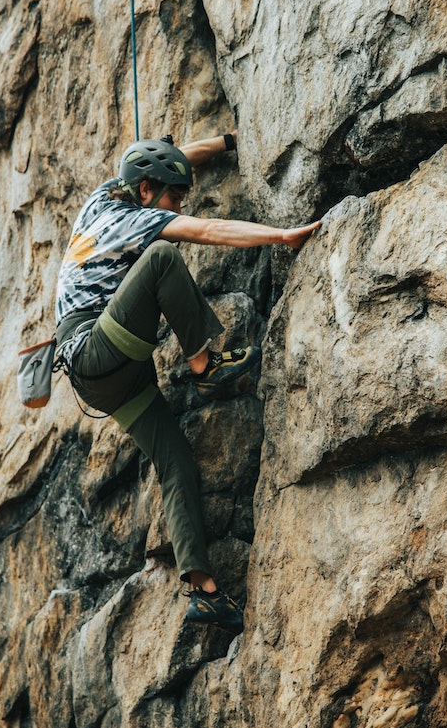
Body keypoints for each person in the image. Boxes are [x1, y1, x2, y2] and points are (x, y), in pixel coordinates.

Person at [54, 131, 320, 633]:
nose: (179, 206)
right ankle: (206, 368)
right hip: (96, 347)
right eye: (174, 197)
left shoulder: (105, 197)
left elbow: (175, 162)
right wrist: (281, 236)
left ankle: (204, 592)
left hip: (102, 380)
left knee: (176, 461)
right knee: (162, 257)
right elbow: (210, 229)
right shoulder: (135, 219)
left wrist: (225, 142)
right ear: (148, 189)